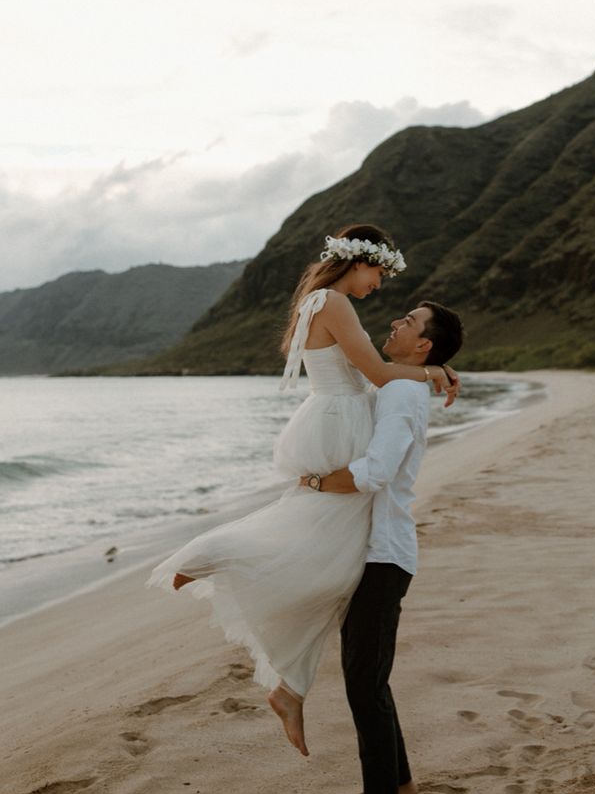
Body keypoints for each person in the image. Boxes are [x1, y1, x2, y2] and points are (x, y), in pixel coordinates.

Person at [147, 225, 458, 759]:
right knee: (316, 536)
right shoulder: (335, 302)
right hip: (341, 420)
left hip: (339, 416)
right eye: (379, 273)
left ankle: (290, 685)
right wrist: (434, 371)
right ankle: (212, 554)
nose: (379, 287)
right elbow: (381, 373)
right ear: (357, 263)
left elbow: (377, 374)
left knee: (332, 564)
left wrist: (427, 371)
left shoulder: (326, 301)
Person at [298, 300, 464, 794]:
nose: (396, 321)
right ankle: (400, 785)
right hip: (380, 552)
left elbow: (375, 472)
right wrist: (428, 372)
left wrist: (315, 484)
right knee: (372, 679)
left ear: (423, 345)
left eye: (410, 323)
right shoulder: (402, 384)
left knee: (363, 687)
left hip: (382, 555)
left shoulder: (399, 392)